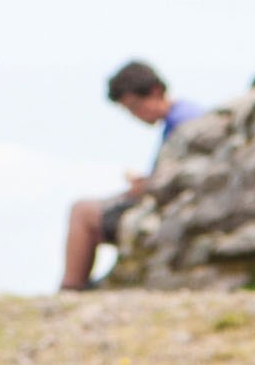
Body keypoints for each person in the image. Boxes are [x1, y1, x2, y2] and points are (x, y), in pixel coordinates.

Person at [64, 61, 201, 291]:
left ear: (156, 92)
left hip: (169, 209)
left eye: (135, 106)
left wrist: (146, 186)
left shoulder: (184, 122)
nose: (135, 115)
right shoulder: (179, 119)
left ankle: (71, 288)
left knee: (82, 211)